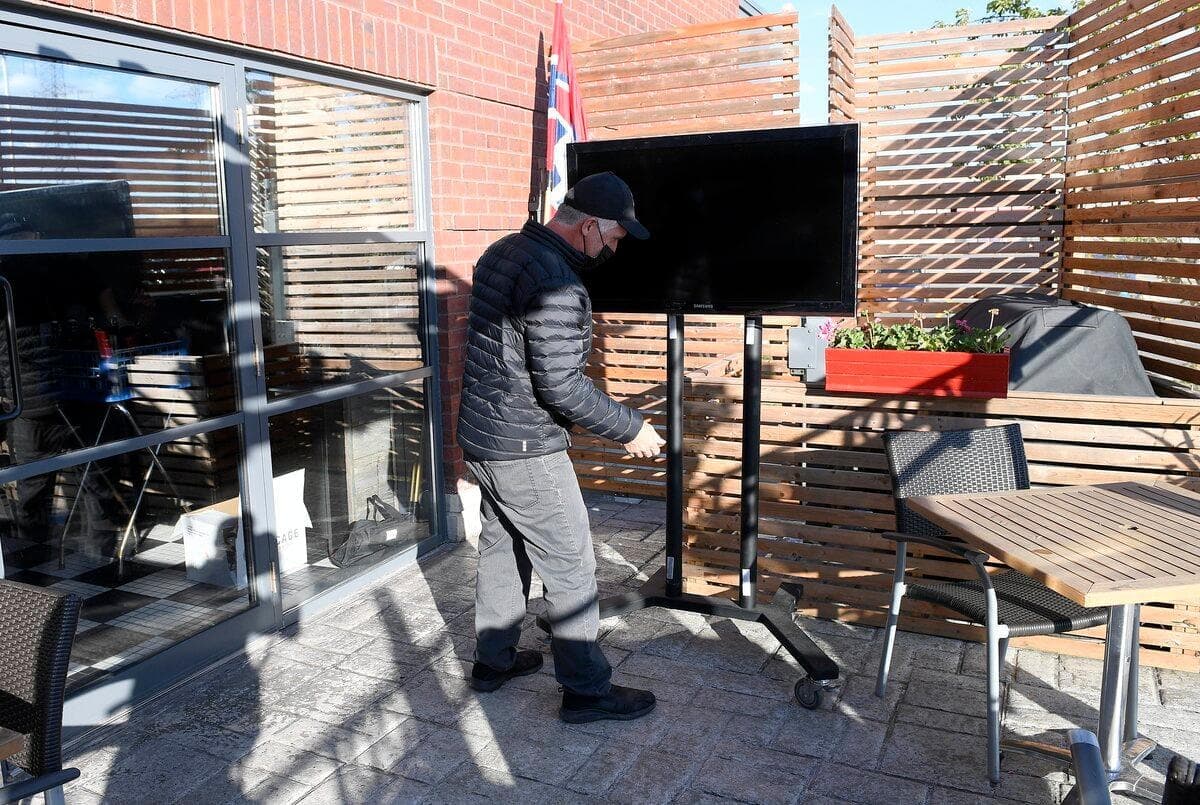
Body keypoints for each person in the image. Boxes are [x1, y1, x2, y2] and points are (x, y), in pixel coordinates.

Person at [457, 171, 665, 723]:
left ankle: (492, 663)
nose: (615, 248)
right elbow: (561, 385)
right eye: (616, 237)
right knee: (571, 567)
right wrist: (631, 428)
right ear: (592, 227)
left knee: (503, 550)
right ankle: (587, 692)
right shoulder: (559, 285)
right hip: (525, 447)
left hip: (484, 436)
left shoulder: (503, 250)